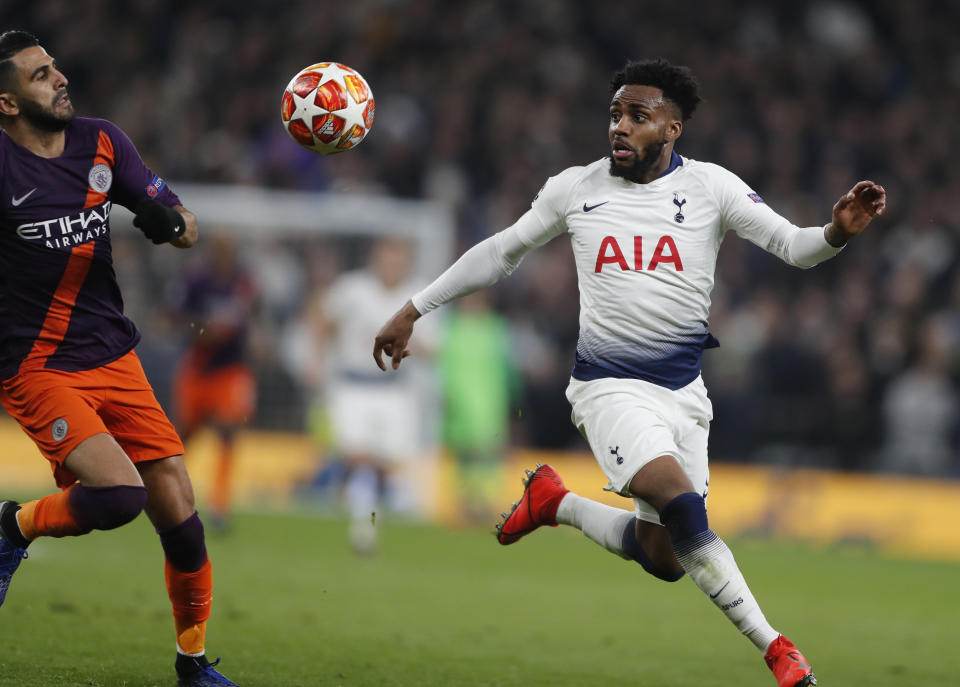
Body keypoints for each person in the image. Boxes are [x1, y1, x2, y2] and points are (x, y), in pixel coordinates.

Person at [374, 57, 886, 687]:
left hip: (683, 394)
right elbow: (500, 252)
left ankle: (554, 502)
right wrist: (413, 307)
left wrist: (836, 231)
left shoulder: (713, 188)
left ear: (672, 129)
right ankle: (777, 649)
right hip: (608, 387)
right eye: (615, 114)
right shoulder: (576, 188)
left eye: (637, 116)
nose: (619, 126)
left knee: (666, 558)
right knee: (683, 506)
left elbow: (794, 247)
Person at [0, 31, 238, 686]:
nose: (59, 77)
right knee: (119, 494)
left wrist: (170, 223)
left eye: (54, 66)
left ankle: (192, 664)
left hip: (113, 354)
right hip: (37, 364)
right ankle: (13, 526)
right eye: (40, 75)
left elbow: (184, 221)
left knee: (180, 514)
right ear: (7, 103)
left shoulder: (102, 142)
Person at [321, 237, 436, 553]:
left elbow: (432, 348)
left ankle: (377, 507)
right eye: (387, 257)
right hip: (353, 385)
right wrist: (317, 360)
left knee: (387, 464)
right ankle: (363, 529)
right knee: (359, 457)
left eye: (398, 260)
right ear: (376, 258)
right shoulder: (352, 289)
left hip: (393, 391)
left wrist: (404, 346)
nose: (392, 265)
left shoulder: (418, 297)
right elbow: (323, 321)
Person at [170, 233, 258, 531]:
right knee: (185, 435)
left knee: (228, 431)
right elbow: (174, 318)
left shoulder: (244, 282)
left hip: (231, 370)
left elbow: (254, 316)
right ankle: (168, 492)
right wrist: (205, 330)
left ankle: (219, 505)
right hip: (198, 366)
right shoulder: (195, 280)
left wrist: (256, 337)